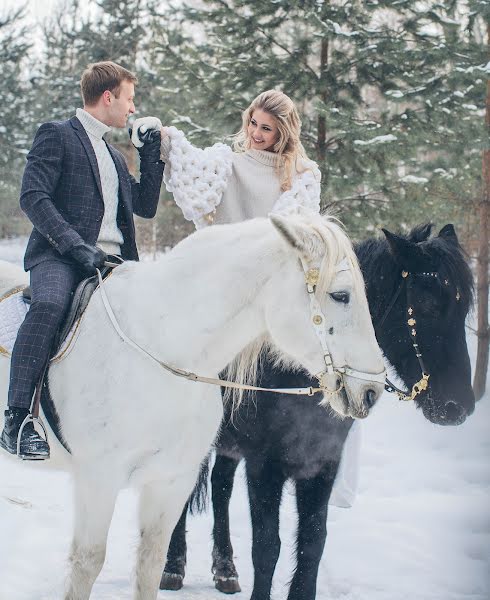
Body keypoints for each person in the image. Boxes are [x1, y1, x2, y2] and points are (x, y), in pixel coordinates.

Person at [131, 89, 360, 507]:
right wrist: (164, 138)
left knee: (318, 362)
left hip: (272, 293)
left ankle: (320, 455)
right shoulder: (226, 162)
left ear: (284, 133)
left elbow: (301, 239)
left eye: (266, 128)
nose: (255, 133)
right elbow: (188, 165)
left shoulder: (304, 176)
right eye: (253, 123)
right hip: (224, 289)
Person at [0, 61, 164, 460]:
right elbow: (33, 197)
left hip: (116, 263)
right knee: (50, 305)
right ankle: (17, 420)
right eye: (129, 99)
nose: (132, 108)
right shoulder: (57, 135)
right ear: (108, 97)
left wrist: (151, 154)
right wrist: (76, 248)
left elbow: (144, 206)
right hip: (59, 256)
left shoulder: (114, 156)